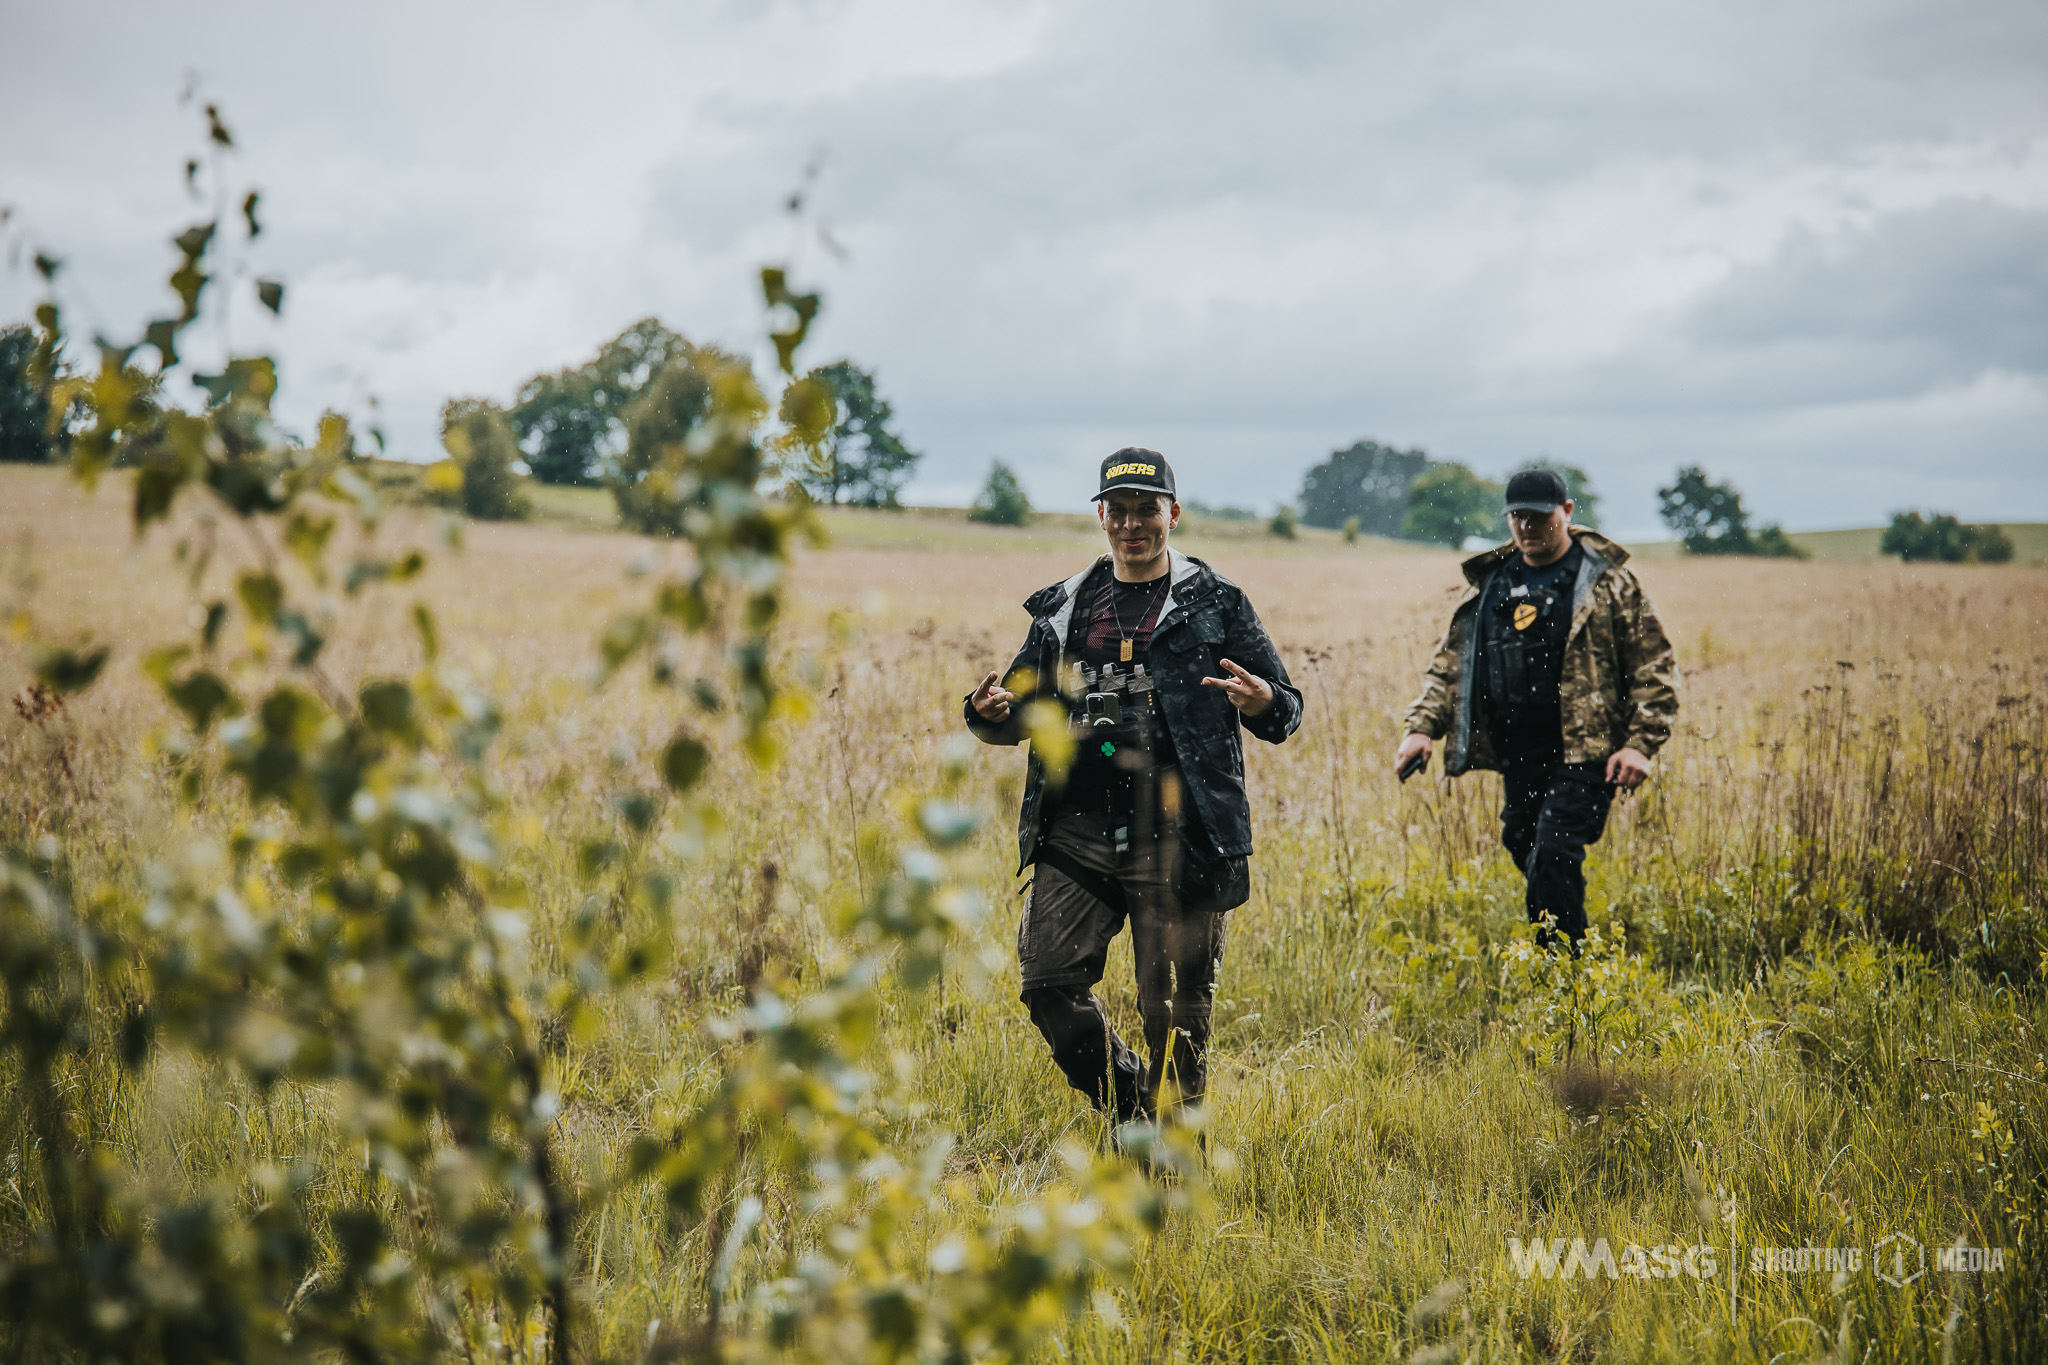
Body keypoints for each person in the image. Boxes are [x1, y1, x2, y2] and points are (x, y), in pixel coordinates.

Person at [965, 449, 1303, 1126]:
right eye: (1117, 511)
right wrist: (985, 714)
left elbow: (1285, 709)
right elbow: (1017, 712)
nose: (1131, 525)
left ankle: (1174, 1184)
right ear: (1101, 517)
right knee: (1048, 983)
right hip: (1077, 830)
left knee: (1175, 1022)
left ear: (1172, 514)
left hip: (1181, 833)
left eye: (1146, 509)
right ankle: (1130, 1106)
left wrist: (1263, 698)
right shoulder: (1063, 609)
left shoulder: (1217, 602)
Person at [1393, 468, 1677, 948]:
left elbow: (1655, 667)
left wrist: (1639, 746)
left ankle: (1563, 970)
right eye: (1517, 517)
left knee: (1553, 851)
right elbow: (1451, 667)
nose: (1527, 527)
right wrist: (1421, 729)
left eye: (1538, 517)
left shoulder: (1607, 583)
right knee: (1523, 844)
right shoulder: (1495, 584)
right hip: (1518, 752)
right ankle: (1573, 948)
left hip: (1586, 752)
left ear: (1566, 513)